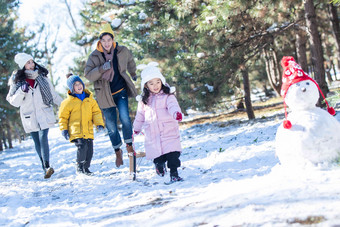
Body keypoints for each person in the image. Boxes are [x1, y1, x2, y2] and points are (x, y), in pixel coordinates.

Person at [84, 23, 139, 168]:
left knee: (126, 119)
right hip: (104, 95)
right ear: (100, 42)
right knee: (112, 127)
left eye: (109, 40)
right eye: (104, 40)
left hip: (120, 90)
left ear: (113, 40)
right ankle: (117, 151)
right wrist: (102, 69)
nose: (107, 43)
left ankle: (129, 145)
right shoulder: (94, 56)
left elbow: (130, 61)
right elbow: (88, 75)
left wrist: (133, 73)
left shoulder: (121, 51)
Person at [6, 53, 63, 179]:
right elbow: (13, 101)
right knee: (37, 142)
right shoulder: (17, 81)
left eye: (32, 62)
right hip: (29, 116)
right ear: (23, 66)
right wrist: (22, 91)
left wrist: (66, 104)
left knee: (43, 138)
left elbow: (53, 95)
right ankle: (45, 168)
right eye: (28, 63)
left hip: (44, 112)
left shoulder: (42, 77)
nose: (31, 65)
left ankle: (47, 166)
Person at [133, 64, 184, 183]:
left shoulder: (168, 95)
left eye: (157, 82)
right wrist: (136, 128)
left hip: (168, 130)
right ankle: (159, 165)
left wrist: (176, 113)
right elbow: (140, 115)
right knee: (158, 156)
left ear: (162, 81)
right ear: (145, 85)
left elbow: (173, 106)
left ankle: (174, 173)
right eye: (151, 83)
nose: (155, 86)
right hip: (152, 133)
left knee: (173, 154)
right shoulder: (143, 101)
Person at [58, 74, 105, 175]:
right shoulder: (68, 102)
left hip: (88, 129)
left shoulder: (90, 99)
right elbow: (63, 117)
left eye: (80, 83)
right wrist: (64, 129)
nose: (79, 86)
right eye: (76, 85)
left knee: (90, 151)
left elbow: (96, 113)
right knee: (82, 147)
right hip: (76, 130)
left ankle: (86, 168)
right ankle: (80, 167)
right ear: (72, 88)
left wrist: (99, 124)